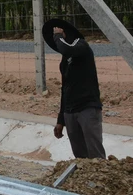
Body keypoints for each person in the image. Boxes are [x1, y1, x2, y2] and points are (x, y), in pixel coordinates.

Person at [43, 18, 106, 159]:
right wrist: (61, 120)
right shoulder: (65, 61)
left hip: (87, 108)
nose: (56, 40)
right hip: (70, 111)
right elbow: (65, 89)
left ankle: (100, 178)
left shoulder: (81, 46)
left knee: (95, 155)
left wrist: (59, 36)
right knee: (80, 156)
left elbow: (67, 48)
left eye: (58, 35)